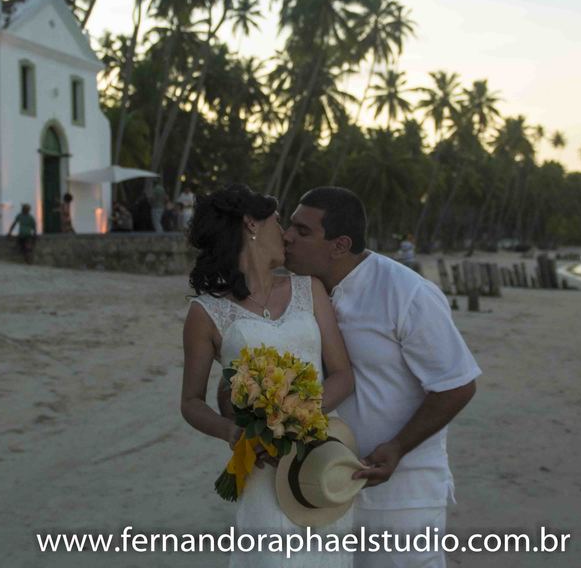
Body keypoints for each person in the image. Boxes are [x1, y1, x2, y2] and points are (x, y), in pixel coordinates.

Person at [278, 187, 480, 568]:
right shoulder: (300, 295)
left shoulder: (406, 293)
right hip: (323, 486)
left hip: (402, 494)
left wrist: (398, 447)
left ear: (340, 245)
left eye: (302, 231)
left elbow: (457, 384)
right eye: (290, 226)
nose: (287, 237)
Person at [181, 184, 359, 568]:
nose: (286, 234)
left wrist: (298, 418)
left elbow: (343, 374)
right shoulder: (206, 312)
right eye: (278, 222)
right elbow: (191, 402)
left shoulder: (309, 289)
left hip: (318, 459)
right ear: (251, 224)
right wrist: (232, 432)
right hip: (263, 465)